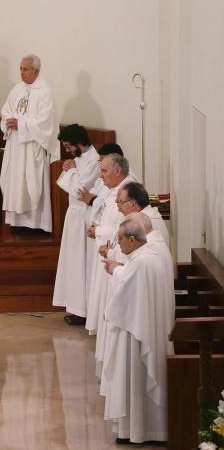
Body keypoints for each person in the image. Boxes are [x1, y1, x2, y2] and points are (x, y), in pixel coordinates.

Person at [99, 216, 174, 445]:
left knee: (135, 377)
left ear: (132, 239)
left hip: (136, 332)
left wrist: (114, 270)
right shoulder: (151, 256)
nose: (118, 245)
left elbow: (126, 290)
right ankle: (146, 430)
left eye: (120, 240)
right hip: (148, 326)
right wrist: (120, 268)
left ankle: (140, 432)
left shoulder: (142, 262)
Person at [84, 154, 135, 374]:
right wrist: (98, 227)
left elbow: (126, 227)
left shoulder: (127, 191)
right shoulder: (116, 191)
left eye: (104, 171)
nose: (101, 175)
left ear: (118, 171)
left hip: (117, 259)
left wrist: (100, 231)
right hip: (109, 253)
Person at [0, 55, 59, 234]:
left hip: (32, 146)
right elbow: (6, 111)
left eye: (25, 69)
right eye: (20, 69)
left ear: (36, 71)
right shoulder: (16, 89)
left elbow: (45, 121)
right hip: (15, 146)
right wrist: (9, 121)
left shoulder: (45, 92)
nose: (22, 73)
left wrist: (21, 124)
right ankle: (17, 221)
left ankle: (35, 224)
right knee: (15, 182)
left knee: (31, 183)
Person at [52, 124, 101, 325]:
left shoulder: (95, 160)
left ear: (79, 143)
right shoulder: (80, 159)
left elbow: (79, 189)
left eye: (68, 146)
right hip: (74, 216)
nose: (67, 151)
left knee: (82, 263)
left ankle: (84, 310)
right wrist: (71, 167)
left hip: (83, 216)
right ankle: (76, 306)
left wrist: (72, 170)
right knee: (73, 263)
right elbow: (66, 181)